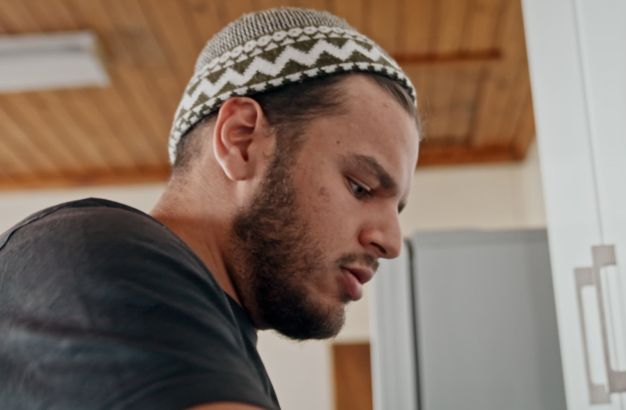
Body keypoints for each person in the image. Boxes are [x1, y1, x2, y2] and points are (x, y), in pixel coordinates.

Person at [0, 7, 420, 410]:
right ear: (241, 139)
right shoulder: (94, 254)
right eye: (360, 187)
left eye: (396, 209)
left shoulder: (224, 343)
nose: (391, 242)